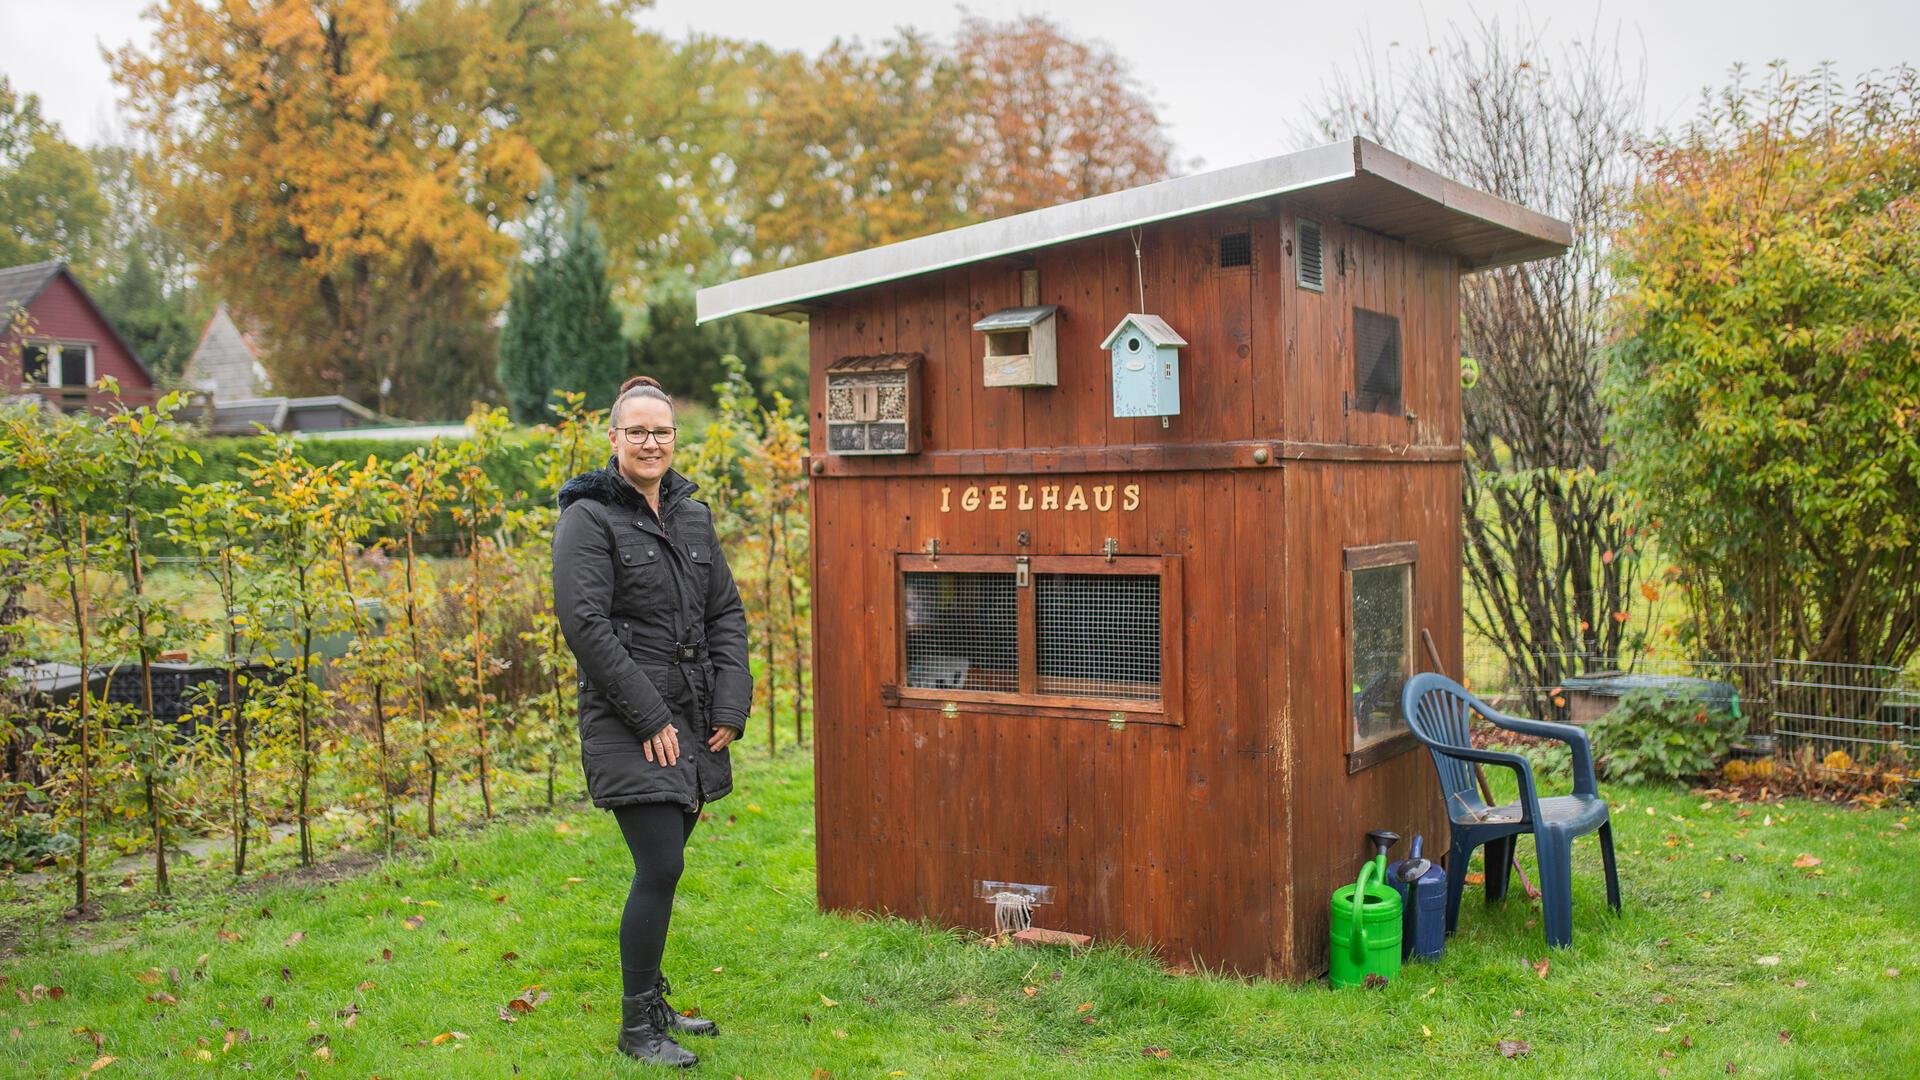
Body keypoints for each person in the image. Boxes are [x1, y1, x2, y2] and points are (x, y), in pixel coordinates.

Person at [553, 375, 752, 1067]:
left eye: (661, 431)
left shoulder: (692, 516)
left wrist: (730, 702)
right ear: (612, 439)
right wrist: (648, 715)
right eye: (636, 431)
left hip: (693, 713)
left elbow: (724, 612)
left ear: (674, 437)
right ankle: (637, 1027)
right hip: (627, 715)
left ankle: (655, 1003)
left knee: (668, 860)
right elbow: (584, 624)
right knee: (661, 860)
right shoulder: (588, 518)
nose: (650, 442)